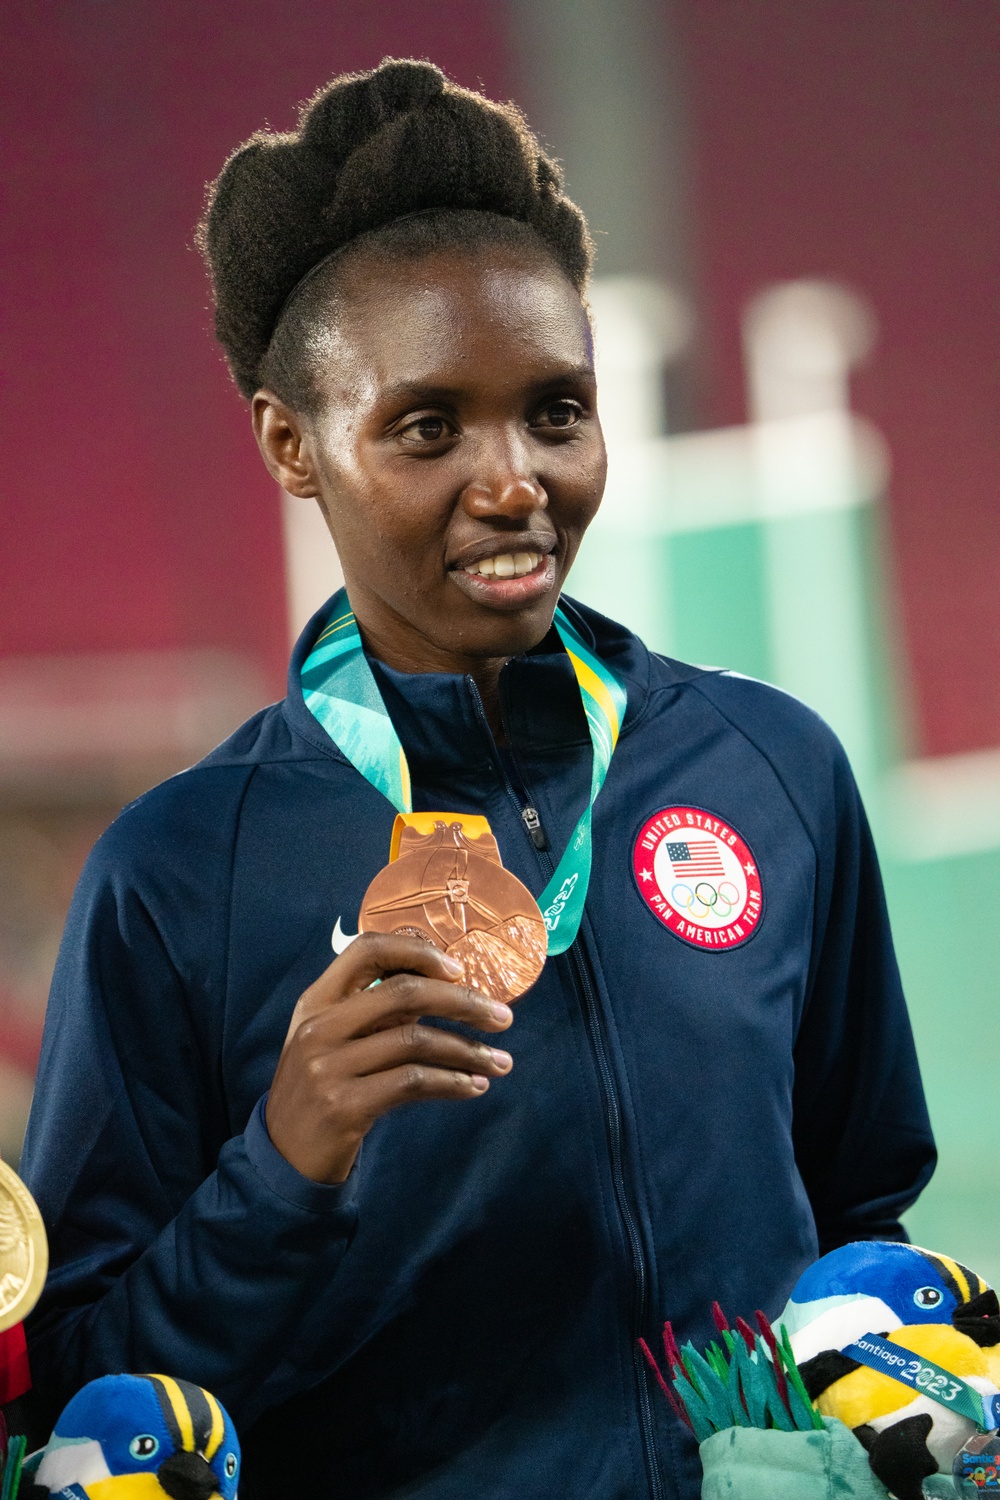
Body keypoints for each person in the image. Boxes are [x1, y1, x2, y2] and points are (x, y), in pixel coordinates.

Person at [20, 59, 935, 1500]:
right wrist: (286, 1157)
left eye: (557, 412)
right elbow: (86, 1398)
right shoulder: (184, 871)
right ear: (291, 444)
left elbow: (860, 1202)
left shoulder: (772, 770)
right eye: (429, 426)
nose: (515, 480)